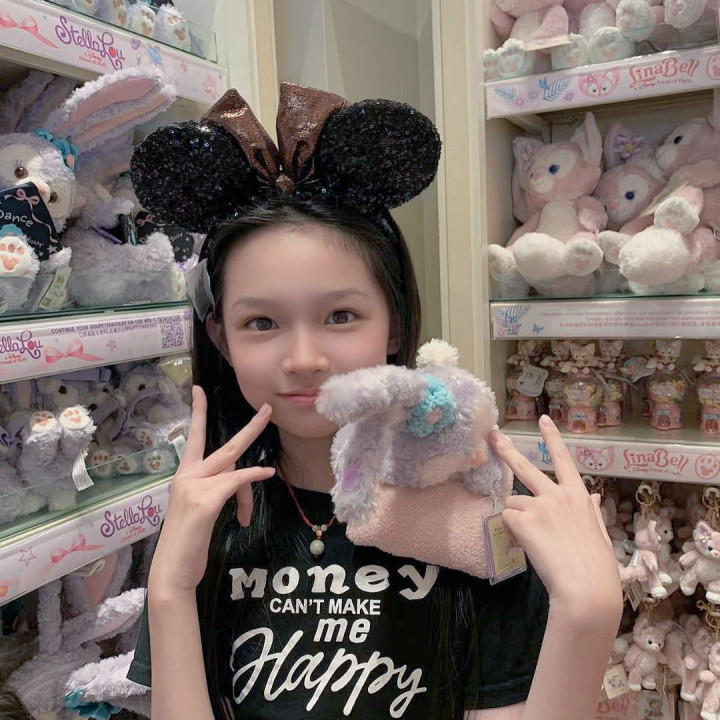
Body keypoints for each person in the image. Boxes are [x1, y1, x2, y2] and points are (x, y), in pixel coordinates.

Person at [126, 83, 623, 720]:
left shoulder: (480, 513)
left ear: (394, 322)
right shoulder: (206, 519)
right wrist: (170, 591)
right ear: (221, 339)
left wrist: (588, 615)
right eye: (261, 323)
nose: (303, 357)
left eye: (340, 315)